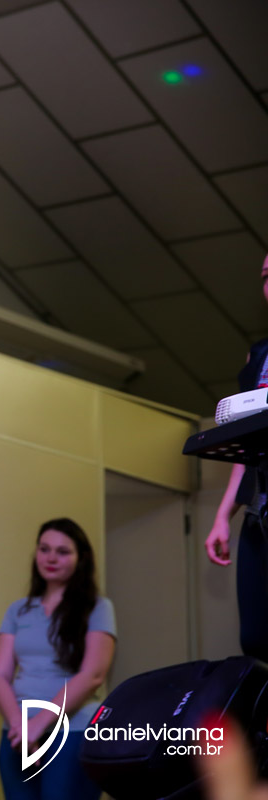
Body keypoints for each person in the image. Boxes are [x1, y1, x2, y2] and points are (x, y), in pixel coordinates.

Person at [0, 519, 116, 800]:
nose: (51, 558)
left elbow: (93, 675)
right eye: (44, 549)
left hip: (74, 730)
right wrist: (19, 725)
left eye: (62, 551)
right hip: (17, 733)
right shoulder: (18, 610)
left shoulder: (98, 607)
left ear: (81, 558)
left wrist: (39, 724)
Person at [205, 254, 268, 663]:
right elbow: (244, 442)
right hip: (259, 510)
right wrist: (222, 516)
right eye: (265, 276)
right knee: (256, 636)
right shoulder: (259, 354)